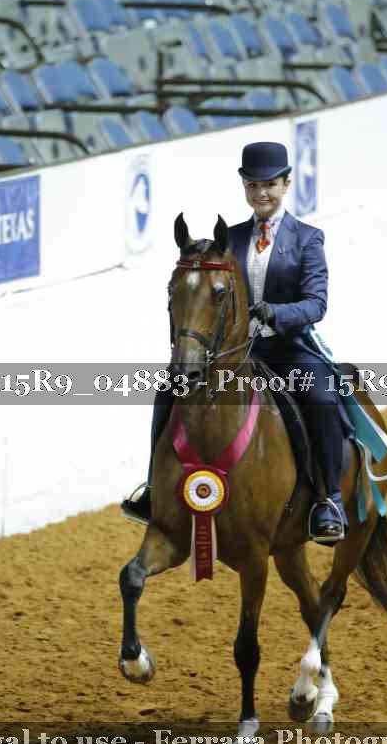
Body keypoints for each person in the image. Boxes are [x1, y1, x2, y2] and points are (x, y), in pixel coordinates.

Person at [122, 141, 347, 544]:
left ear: (286, 184)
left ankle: (329, 499)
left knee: (320, 397)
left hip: (289, 350)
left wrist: (275, 312)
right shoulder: (231, 239)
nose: (262, 193)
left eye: (270, 185)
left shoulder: (308, 239)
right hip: (235, 354)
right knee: (169, 387)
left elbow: (316, 304)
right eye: (253, 185)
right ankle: (154, 488)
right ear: (244, 186)